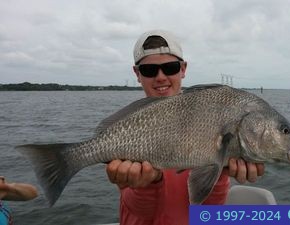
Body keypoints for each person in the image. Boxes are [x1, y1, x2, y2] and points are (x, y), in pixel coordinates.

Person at [105, 30, 265, 225]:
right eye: (149, 70)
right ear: (137, 74)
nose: (161, 77)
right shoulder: (129, 125)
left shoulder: (210, 118)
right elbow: (140, 211)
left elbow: (207, 212)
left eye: (170, 67)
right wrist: (146, 184)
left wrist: (220, 172)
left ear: (183, 68)